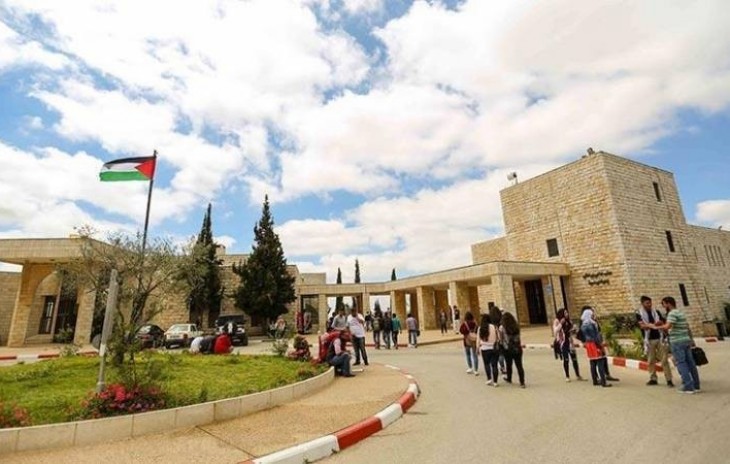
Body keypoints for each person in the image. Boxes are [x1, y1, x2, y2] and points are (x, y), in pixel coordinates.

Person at [655, 296, 700, 394]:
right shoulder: (680, 312)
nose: (663, 306)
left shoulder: (672, 313)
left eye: (664, 304)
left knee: (681, 363)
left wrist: (657, 327)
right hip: (685, 340)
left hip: (677, 341)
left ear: (668, 303)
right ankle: (696, 385)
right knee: (691, 363)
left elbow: (668, 326)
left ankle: (688, 386)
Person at [636, 296, 674, 387]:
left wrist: (656, 324)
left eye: (650, 302)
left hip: (660, 338)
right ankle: (653, 378)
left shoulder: (656, 312)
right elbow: (642, 326)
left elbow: (662, 322)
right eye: (647, 303)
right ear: (642, 304)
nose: (649, 305)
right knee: (651, 360)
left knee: (664, 360)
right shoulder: (639, 314)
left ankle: (669, 379)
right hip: (649, 339)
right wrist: (652, 325)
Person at [580, 307, 612, 387]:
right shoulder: (592, 324)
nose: (593, 315)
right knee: (600, 362)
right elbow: (595, 336)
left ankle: (595, 380)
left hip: (588, 345)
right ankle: (603, 382)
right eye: (592, 314)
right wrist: (601, 344)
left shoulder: (583, 325)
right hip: (595, 344)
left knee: (592, 362)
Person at [554, 308, 584, 382]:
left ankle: (578, 375)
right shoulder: (557, 321)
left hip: (570, 342)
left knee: (574, 359)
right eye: (565, 313)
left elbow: (572, 331)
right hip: (563, 342)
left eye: (567, 312)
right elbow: (555, 331)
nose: (567, 314)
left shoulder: (569, 321)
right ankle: (567, 376)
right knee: (566, 359)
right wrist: (561, 323)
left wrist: (574, 329)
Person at [500, 312, 525, 388]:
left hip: (507, 349)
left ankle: (509, 378)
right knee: (519, 366)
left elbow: (501, 339)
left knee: (508, 365)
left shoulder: (502, 328)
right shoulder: (516, 326)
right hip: (517, 348)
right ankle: (522, 382)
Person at [478, 314, 500, 386]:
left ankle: (489, 379)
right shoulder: (494, 327)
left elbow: (478, 340)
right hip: (493, 348)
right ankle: (495, 381)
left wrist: (477, 348)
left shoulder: (480, 328)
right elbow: (499, 338)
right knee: (494, 365)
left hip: (484, 348)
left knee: (486, 364)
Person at [459, 311, 479, 375]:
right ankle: (476, 370)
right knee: (475, 355)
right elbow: (478, 330)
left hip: (466, 341)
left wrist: (466, 333)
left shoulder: (464, 324)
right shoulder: (475, 324)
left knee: (468, 354)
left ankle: (470, 367)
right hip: (474, 341)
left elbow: (461, 330)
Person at [489, 306, 506, 374]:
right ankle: (503, 367)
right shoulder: (501, 319)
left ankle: (495, 367)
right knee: (501, 354)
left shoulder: (490, 320)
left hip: (493, 339)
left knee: (495, 354)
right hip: (501, 339)